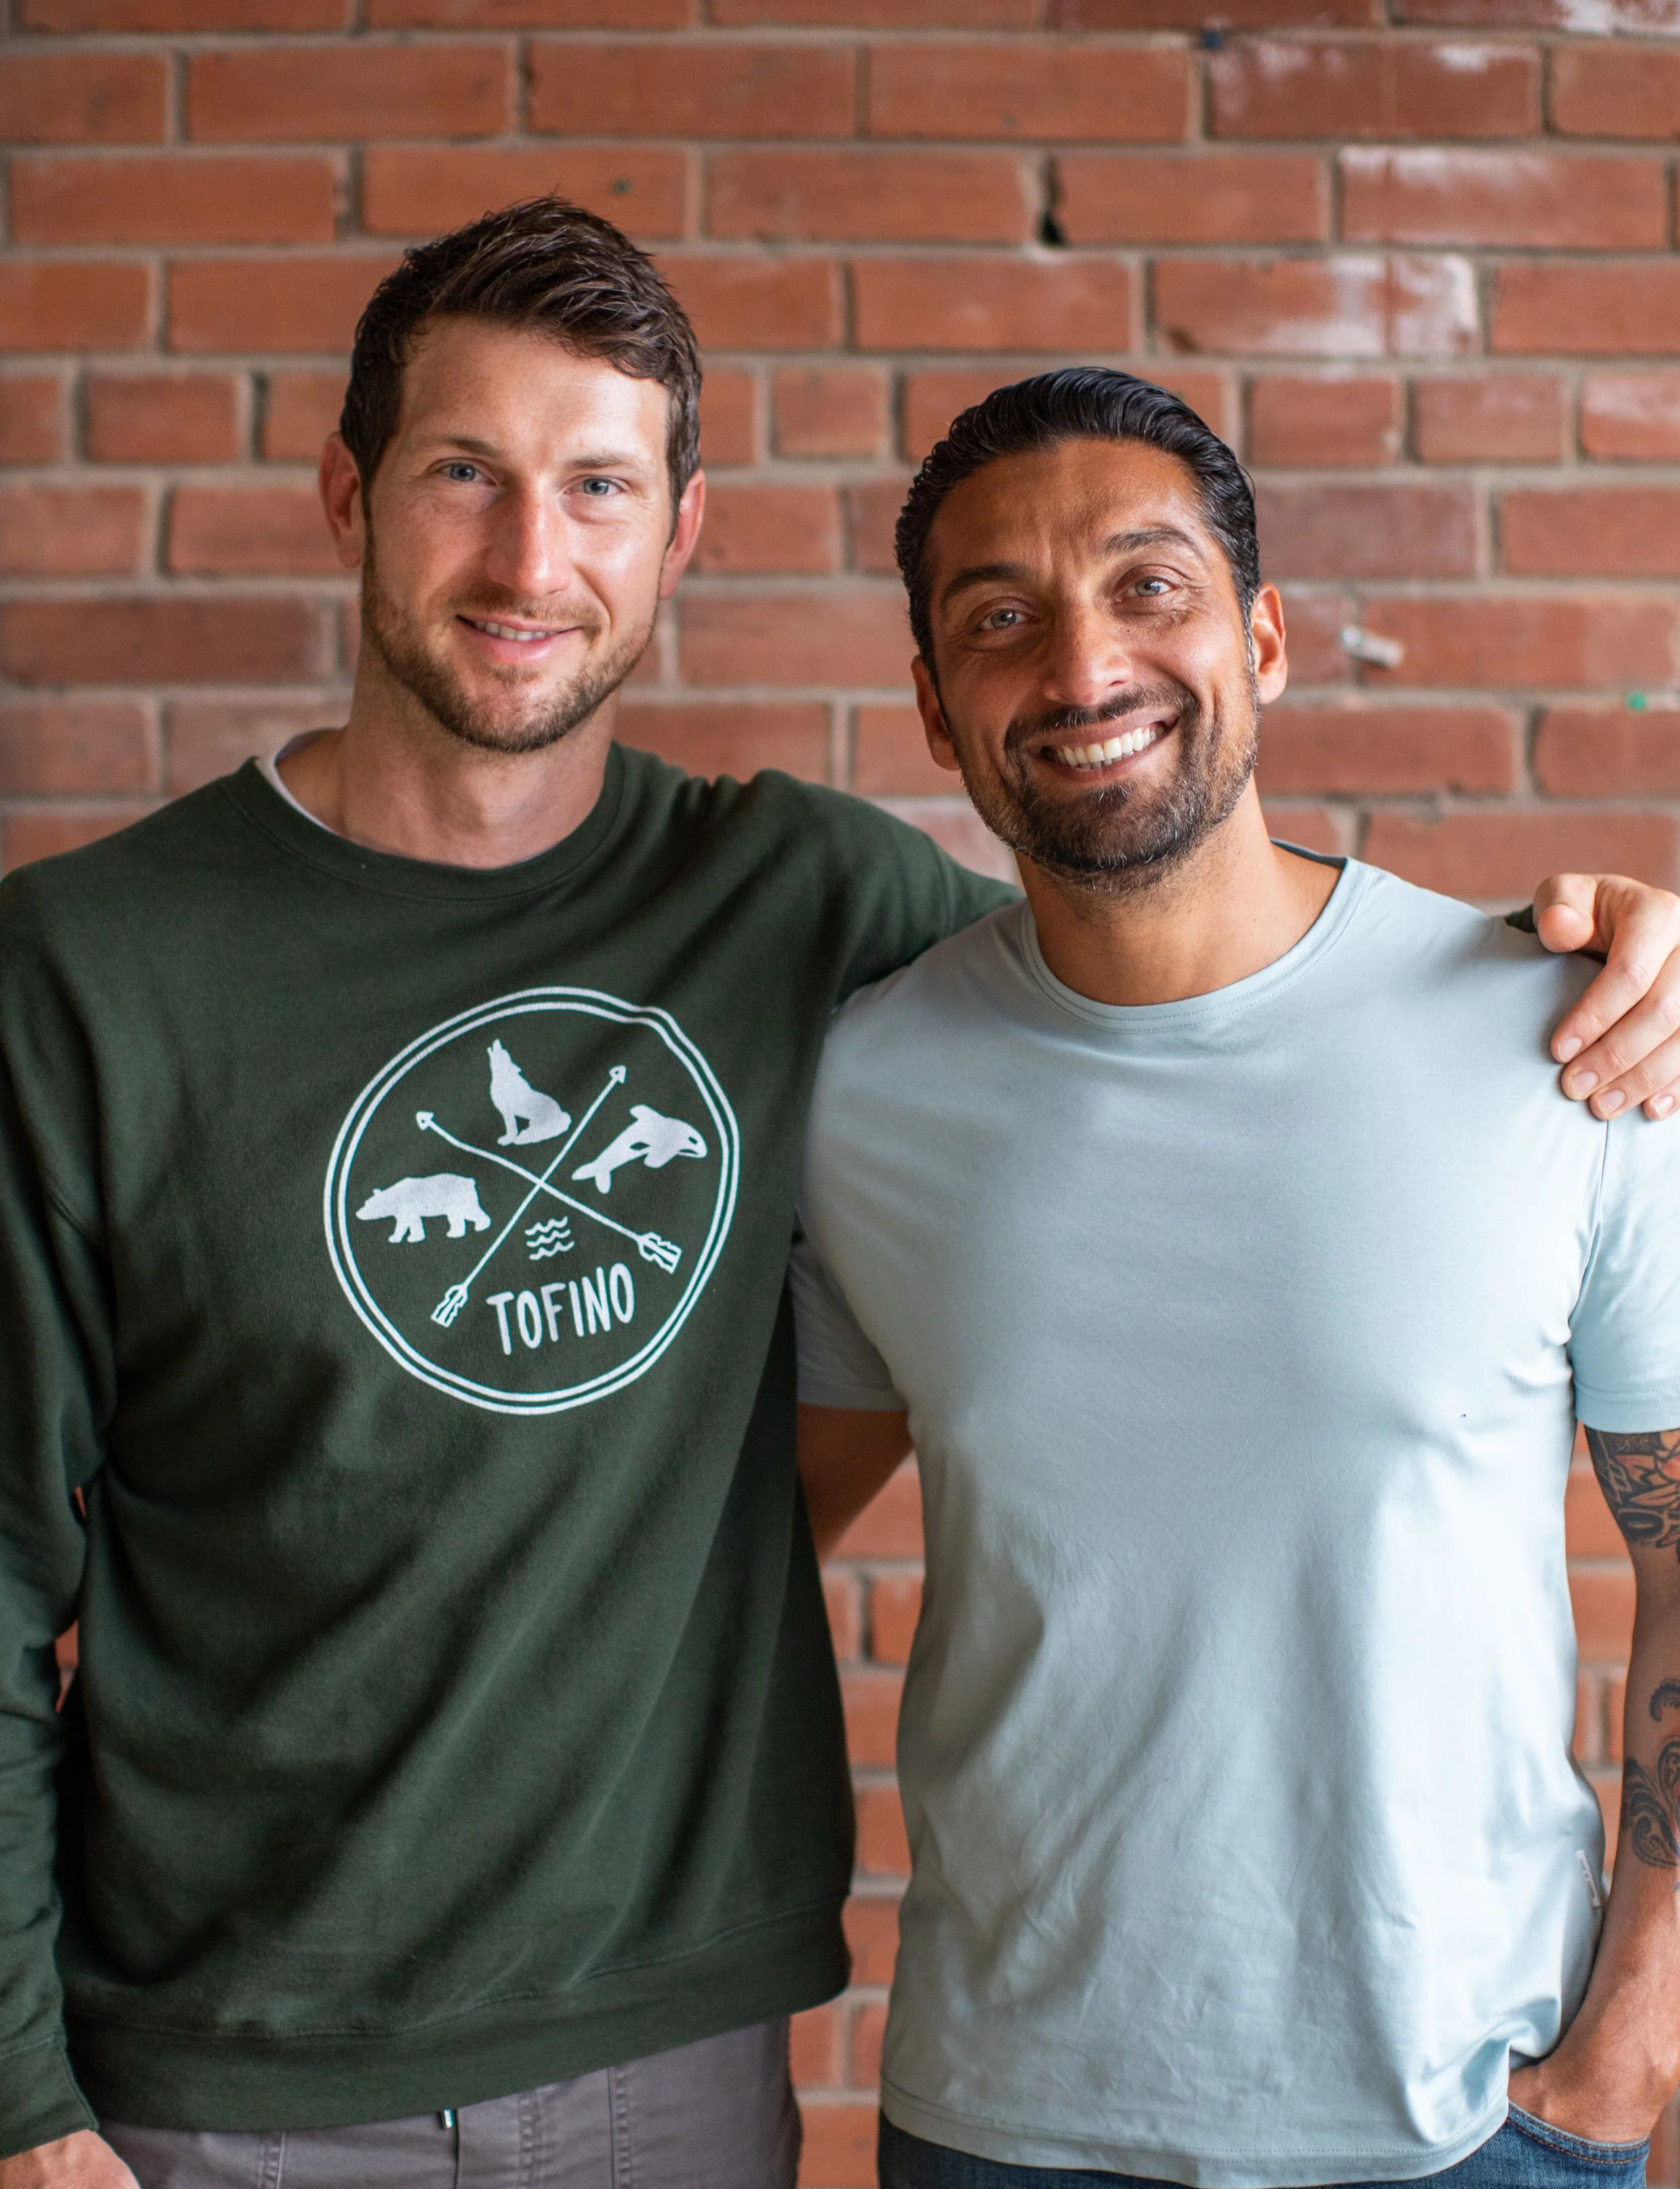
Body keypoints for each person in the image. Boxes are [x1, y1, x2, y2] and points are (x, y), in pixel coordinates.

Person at [0, 208, 1672, 2189]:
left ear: (677, 534)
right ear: (349, 493)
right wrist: (25, 2101)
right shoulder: (91, 968)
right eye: (467, 476)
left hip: (682, 2063)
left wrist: (1581, 961)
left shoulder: (799, 911)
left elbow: (1181, 972)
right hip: (223, 2072)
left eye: (598, 488)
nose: (533, 561)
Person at [792, 370, 1680, 2189]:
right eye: (997, 618)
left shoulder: (1569, 1043)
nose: (1079, 665)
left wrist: (1631, 2043)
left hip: (1470, 2124)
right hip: (999, 2128)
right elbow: (717, 1546)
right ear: (934, 711)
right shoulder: (858, 1088)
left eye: (1146, 587)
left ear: (1262, 638)